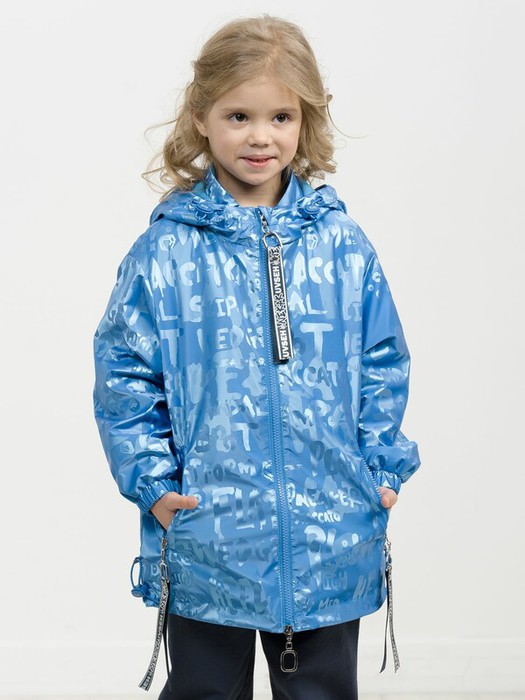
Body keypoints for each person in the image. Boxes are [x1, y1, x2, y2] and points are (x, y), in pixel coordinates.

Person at [92, 14, 421, 700]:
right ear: (201, 117)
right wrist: (153, 485)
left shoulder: (343, 247)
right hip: (207, 532)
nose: (260, 136)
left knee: (320, 689)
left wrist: (381, 468)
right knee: (206, 689)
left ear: (306, 121)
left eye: (281, 117)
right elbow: (125, 375)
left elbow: (381, 359)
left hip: (329, 531)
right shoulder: (167, 252)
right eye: (238, 116)